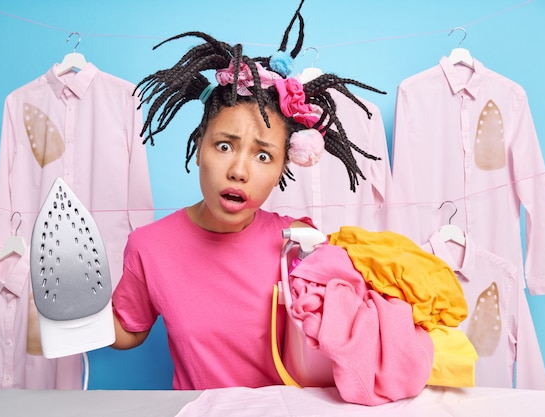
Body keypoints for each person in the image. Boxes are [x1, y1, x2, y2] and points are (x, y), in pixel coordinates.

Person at [110, 1, 385, 390]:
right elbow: (129, 330)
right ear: (199, 145)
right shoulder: (149, 247)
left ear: (281, 169)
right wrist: (59, 318)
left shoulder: (300, 244)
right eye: (224, 146)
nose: (239, 170)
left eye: (262, 155)